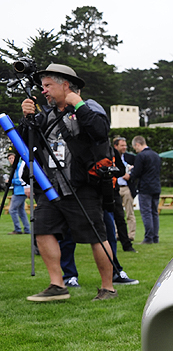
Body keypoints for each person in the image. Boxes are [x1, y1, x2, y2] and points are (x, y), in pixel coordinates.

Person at [18, 63, 118, 302]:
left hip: (81, 185)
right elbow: (27, 143)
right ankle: (57, 284)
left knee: (96, 235)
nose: (43, 91)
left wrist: (77, 103)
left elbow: (100, 132)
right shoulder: (47, 115)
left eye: (48, 85)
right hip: (51, 187)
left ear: (65, 85)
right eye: (43, 86)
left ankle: (108, 288)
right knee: (42, 230)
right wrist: (27, 118)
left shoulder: (89, 106)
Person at [127, 135, 161, 244]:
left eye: (135, 147)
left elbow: (137, 172)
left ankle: (148, 237)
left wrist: (130, 173)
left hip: (145, 187)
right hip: (156, 186)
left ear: (138, 144)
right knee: (154, 213)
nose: (135, 150)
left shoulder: (141, 156)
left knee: (146, 213)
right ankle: (155, 236)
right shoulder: (156, 155)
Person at [111, 137, 136, 248]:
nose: (124, 147)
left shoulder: (130, 157)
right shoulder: (111, 156)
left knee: (129, 212)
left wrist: (130, 176)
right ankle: (117, 234)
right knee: (117, 213)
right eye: (122, 145)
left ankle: (130, 235)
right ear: (116, 146)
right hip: (115, 187)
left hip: (126, 188)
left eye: (125, 145)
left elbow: (137, 169)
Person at [6, 152, 30, 235]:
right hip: (18, 191)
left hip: (20, 191)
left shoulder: (19, 167)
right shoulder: (15, 168)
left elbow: (22, 179)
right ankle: (27, 229)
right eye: (10, 159)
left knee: (12, 210)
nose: (11, 160)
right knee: (21, 211)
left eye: (12, 158)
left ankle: (17, 229)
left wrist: (11, 181)